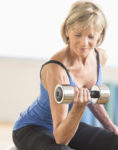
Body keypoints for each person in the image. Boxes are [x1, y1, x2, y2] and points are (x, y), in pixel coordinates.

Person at [12, 1, 118, 150]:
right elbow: (61, 139)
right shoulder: (56, 70)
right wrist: (79, 107)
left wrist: (110, 126)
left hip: (69, 124)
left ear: (100, 35)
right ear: (68, 30)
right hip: (32, 129)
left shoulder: (100, 56)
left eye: (91, 36)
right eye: (78, 35)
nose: (84, 43)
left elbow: (92, 97)